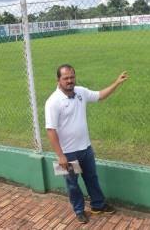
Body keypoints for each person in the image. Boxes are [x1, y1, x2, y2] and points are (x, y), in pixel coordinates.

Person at [45, 64, 128, 224]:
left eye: (72, 77)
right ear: (58, 80)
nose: (70, 81)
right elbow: (51, 130)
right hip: (68, 153)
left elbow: (99, 96)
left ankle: (98, 205)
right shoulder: (53, 102)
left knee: (92, 178)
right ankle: (79, 210)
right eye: (66, 78)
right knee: (72, 185)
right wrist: (60, 155)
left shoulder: (80, 92)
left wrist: (117, 83)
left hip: (85, 148)